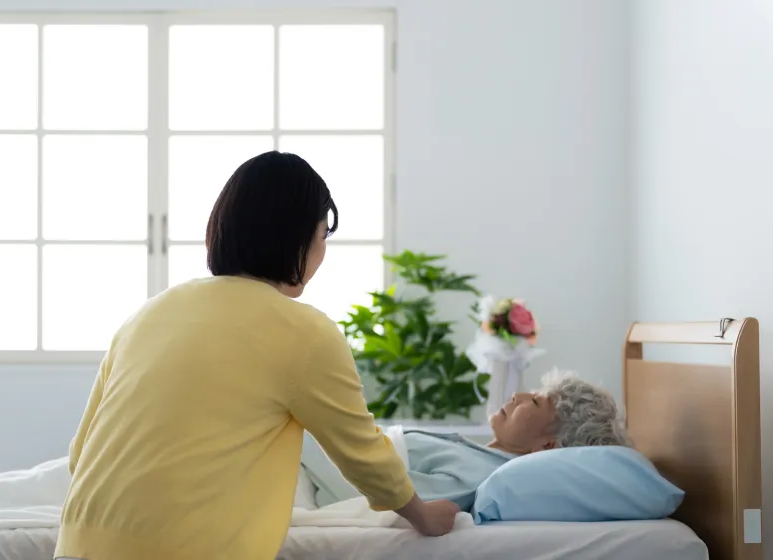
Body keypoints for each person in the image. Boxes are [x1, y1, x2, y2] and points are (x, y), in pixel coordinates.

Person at [54, 151, 459, 560]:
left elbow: (80, 454)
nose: (322, 254)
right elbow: (363, 454)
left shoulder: (146, 315)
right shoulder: (304, 332)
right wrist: (423, 516)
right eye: (323, 237)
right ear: (298, 238)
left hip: (75, 547)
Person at [301, 370, 630, 511]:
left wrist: (305, 423)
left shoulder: (482, 476)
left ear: (546, 446)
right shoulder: (479, 455)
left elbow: (368, 494)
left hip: (313, 464)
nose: (517, 395)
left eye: (533, 402)